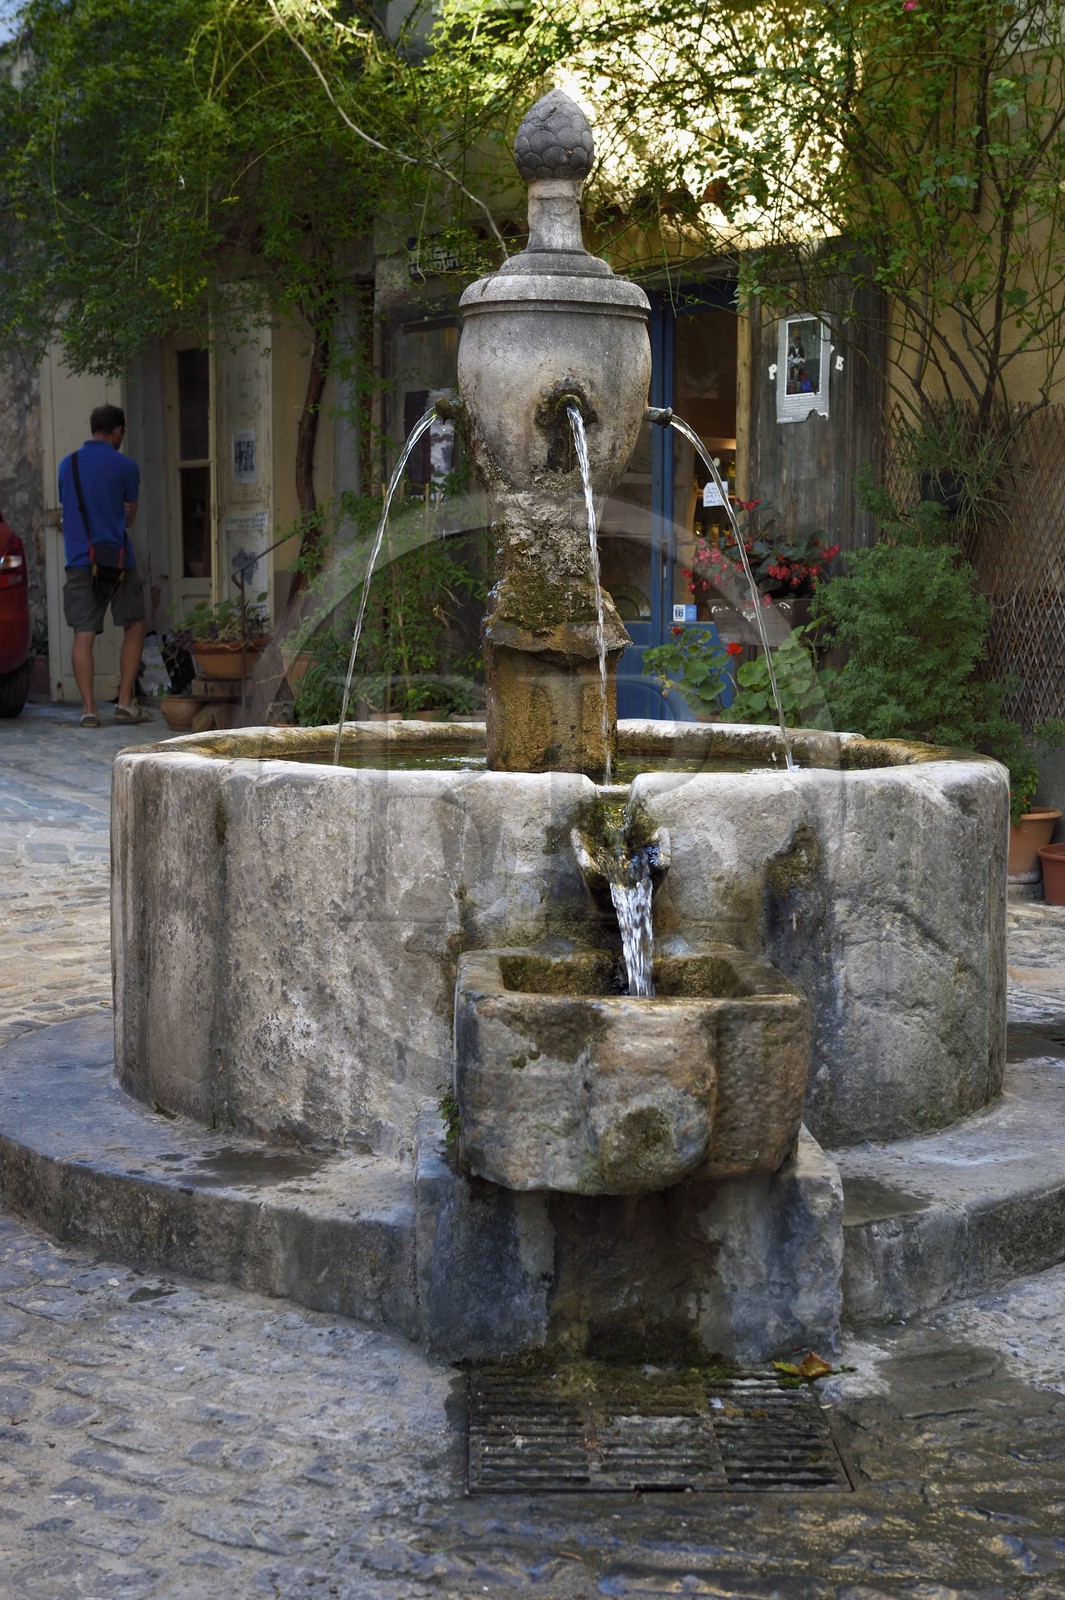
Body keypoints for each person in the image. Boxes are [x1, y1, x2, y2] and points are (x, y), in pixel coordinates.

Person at [58, 404, 152, 727]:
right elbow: (129, 517)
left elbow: (68, 509)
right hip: (119, 562)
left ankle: (88, 710)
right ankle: (125, 703)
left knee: (83, 634)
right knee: (135, 623)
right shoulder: (126, 466)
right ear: (117, 431)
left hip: (80, 560)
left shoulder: (65, 466)